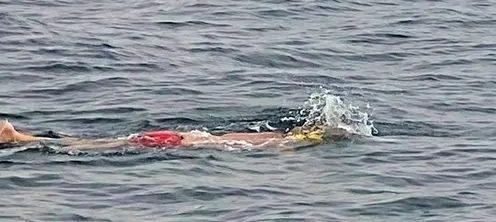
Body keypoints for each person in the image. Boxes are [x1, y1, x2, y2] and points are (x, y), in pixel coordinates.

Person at [0, 118, 332, 151]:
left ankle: (22, 137)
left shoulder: (271, 136)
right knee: (93, 147)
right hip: (172, 143)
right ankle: (19, 138)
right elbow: (280, 149)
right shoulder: (278, 141)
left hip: (176, 137)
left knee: (94, 144)